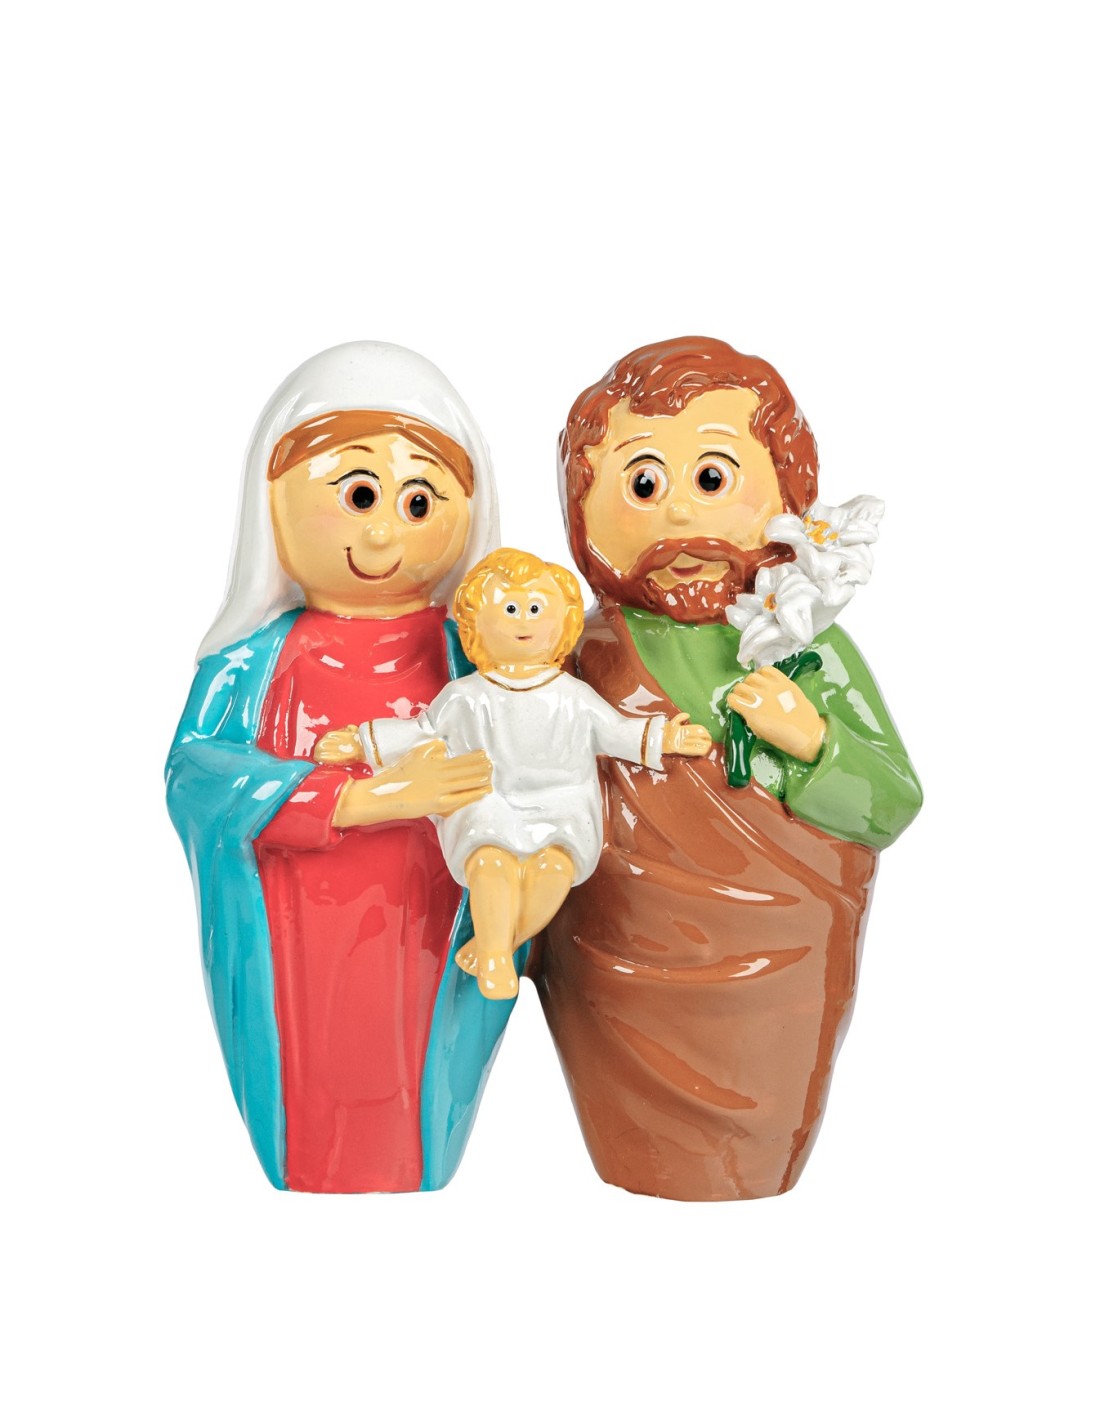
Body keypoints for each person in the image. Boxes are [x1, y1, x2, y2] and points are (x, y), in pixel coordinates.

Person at [536, 336, 923, 1201]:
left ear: (788, 492)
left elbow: (892, 803)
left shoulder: (806, 650)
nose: (679, 515)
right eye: (642, 486)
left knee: (761, 1134)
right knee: (633, 1142)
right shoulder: (578, 653)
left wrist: (812, 741)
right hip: (615, 957)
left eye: (712, 479)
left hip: (783, 968)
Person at [166, 341, 515, 1194]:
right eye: (358, 494)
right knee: (312, 1079)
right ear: (273, 503)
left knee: (419, 1078)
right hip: (293, 934)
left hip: (433, 921)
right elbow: (195, 773)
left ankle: (420, 1161)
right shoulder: (249, 662)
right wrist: (359, 799)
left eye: (419, 499)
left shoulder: (480, 656)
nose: (384, 531)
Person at [315, 548, 711, 999]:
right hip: (488, 798)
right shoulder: (465, 697)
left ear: (564, 622)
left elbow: (617, 732)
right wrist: (360, 742)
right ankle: (496, 955)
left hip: (562, 801)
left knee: (554, 871)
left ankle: (495, 946)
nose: (524, 620)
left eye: (536, 609)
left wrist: (667, 738)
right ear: (475, 626)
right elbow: (420, 732)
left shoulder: (573, 696)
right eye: (509, 609)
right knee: (489, 862)